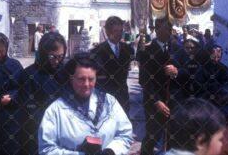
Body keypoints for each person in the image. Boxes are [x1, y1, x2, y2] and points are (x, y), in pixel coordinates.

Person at [38, 52, 133, 155]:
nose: (86, 85)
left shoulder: (110, 102)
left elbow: (125, 134)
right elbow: (46, 149)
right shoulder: (56, 110)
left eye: (91, 79)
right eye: (81, 79)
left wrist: (111, 151)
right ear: (71, 78)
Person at [19, 32, 67, 155]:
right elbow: (27, 108)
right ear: (43, 53)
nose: (57, 61)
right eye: (52, 57)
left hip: (65, 131)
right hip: (37, 132)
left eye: (60, 56)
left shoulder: (66, 73)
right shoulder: (29, 75)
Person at [137, 17, 179, 155]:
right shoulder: (146, 49)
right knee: (152, 136)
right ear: (156, 29)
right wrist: (156, 101)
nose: (167, 32)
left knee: (173, 136)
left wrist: (177, 71)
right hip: (153, 101)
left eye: (169, 29)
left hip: (173, 100)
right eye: (163, 29)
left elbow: (187, 71)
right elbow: (144, 79)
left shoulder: (177, 47)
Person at [91, 16, 134, 114]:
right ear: (107, 32)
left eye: (121, 31)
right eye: (115, 31)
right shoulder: (97, 52)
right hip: (106, 97)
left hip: (123, 97)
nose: (119, 34)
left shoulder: (128, 49)